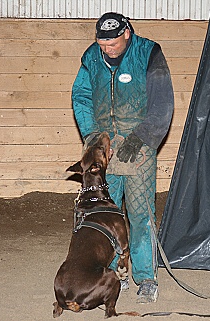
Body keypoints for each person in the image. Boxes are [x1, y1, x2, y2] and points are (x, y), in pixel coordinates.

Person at [71, 12, 174, 303]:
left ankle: (146, 278)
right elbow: (81, 95)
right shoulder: (92, 57)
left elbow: (163, 101)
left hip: (138, 148)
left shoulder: (149, 53)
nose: (108, 49)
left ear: (127, 33)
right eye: (103, 44)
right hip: (107, 149)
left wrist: (142, 136)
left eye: (113, 44)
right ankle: (114, 270)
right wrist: (92, 135)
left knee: (141, 214)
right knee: (104, 214)